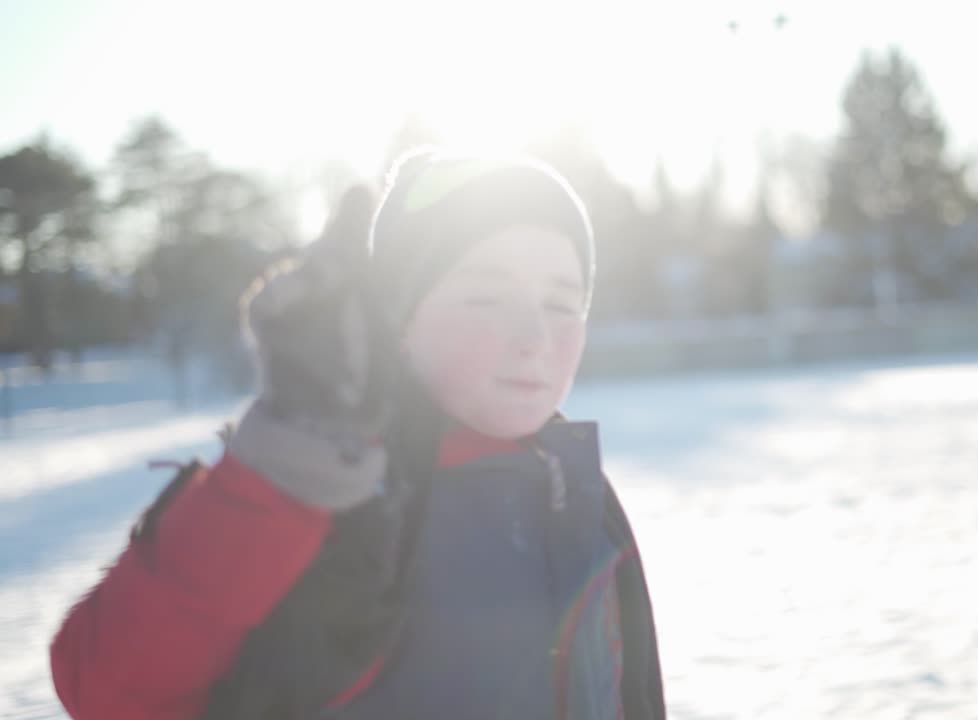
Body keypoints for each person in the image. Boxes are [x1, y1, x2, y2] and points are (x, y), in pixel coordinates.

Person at [49, 147, 665, 720]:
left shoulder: (580, 489)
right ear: (396, 319)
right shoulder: (327, 492)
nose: (535, 337)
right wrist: (281, 468)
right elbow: (108, 692)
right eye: (486, 297)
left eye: (564, 303)